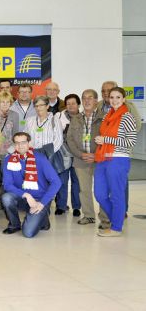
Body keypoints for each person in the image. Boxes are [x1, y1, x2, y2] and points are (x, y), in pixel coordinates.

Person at [94, 87, 137, 237]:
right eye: (112, 97)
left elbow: (131, 141)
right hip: (103, 158)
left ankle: (116, 228)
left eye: (118, 97)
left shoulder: (127, 117)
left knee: (117, 194)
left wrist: (106, 139)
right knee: (99, 194)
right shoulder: (108, 116)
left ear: (123, 99)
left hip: (119, 159)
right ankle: (117, 220)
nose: (114, 100)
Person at [1, 132, 61, 238]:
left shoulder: (40, 158)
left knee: (28, 233)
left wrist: (42, 203)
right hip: (23, 196)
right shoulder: (8, 160)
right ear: (14, 145)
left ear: (29, 143)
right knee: (6, 198)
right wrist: (26, 195)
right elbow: (7, 185)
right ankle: (14, 225)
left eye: (23, 142)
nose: (20, 146)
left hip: (40, 199)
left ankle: (43, 219)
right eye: (17, 143)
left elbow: (56, 182)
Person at [66, 89, 110, 227]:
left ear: (96, 101)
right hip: (81, 160)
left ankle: (105, 217)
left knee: (101, 190)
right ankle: (89, 215)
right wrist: (80, 154)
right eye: (84, 98)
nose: (86, 101)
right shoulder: (76, 118)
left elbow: (109, 139)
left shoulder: (105, 118)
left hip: (100, 160)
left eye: (90, 98)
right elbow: (70, 139)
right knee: (84, 189)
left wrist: (96, 155)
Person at [24, 96, 64, 192]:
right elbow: (25, 138)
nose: (38, 108)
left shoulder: (55, 120)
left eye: (41, 105)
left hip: (48, 157)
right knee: (34, 182)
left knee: (48, 183)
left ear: (47, 106)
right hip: (32, 157)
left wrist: (46, 154)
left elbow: (58, 140)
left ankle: (46, 205)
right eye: (36, 106)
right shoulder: (30, 121)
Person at [55, 93, 81, 216]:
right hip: (63, 154)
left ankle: (76, 207)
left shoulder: (83, 117)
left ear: (78, 104)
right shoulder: (58, 116)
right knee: (62, 181)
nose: (70, 106)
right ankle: (61, 206)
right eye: (68, 103)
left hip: (78, 155)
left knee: (77, 182)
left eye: (73, 103)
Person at [0, 91, 20, 159]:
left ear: (10, 103)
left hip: (9, 151)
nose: (5, 104)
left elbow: (16, 134)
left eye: (7, 102)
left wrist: (12, 150)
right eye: (3, 102)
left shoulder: (15, 115)